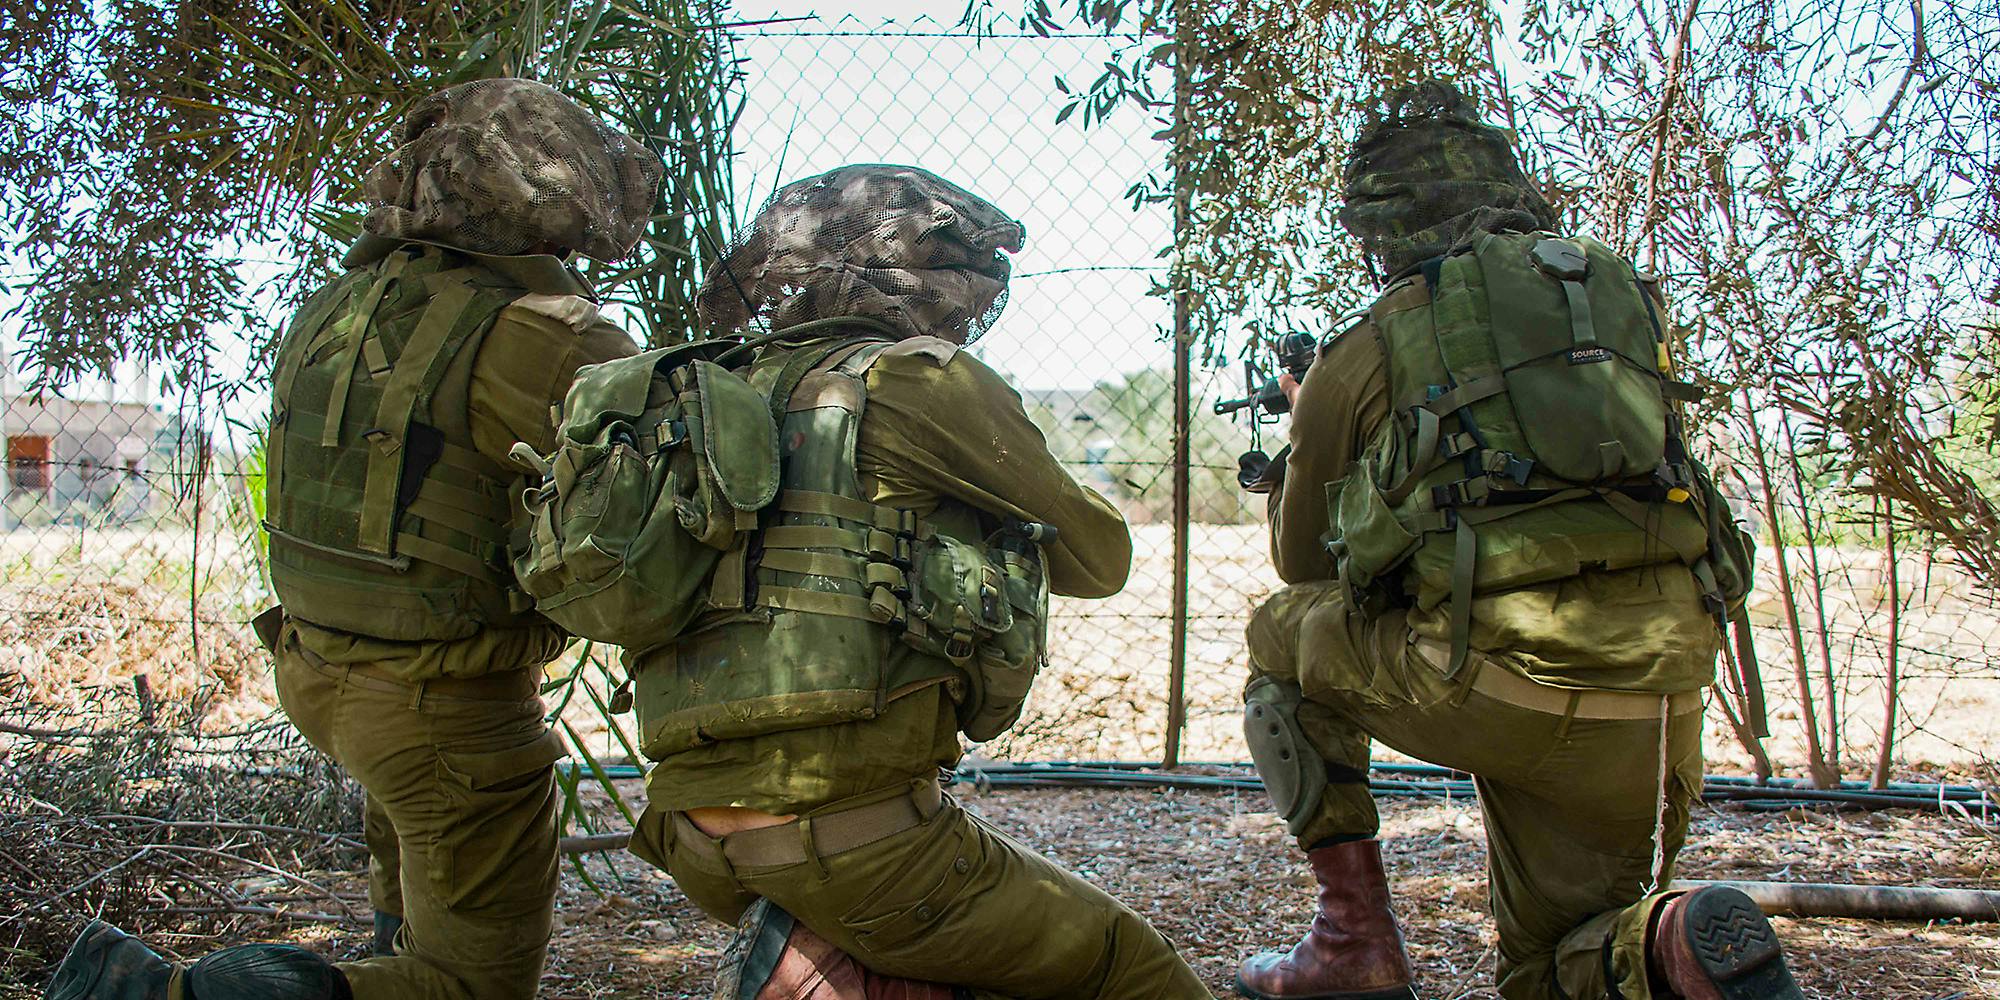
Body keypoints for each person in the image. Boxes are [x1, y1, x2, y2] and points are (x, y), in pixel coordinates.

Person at [45, 78, 659, 1000]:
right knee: (465, 985)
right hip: (443, 708)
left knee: (410, 901)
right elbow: (673, 504)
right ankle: (155, 993)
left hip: (322, 669)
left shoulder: (335, 307)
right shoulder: (538, 334)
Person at [1233, 83, 1803, 1000]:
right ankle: (1665, 946)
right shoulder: (1614, 310)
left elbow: (1305, 568)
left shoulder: (1375, 338)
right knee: (1553, 967)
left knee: (1277, 633)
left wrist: (1309, 437)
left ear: (1379, 224)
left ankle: (1352, 943)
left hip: (1490, 680)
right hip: (1659, 696)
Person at [621, 163, 1211, 1000]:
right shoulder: (918, 379)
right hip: (863, 848)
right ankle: (831, 949)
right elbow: (1100, 558)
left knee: (940, 956)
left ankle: (821, 962)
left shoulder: (701, 392)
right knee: (1128, 967)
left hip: (688, 837)